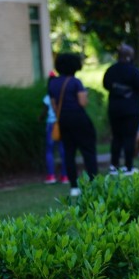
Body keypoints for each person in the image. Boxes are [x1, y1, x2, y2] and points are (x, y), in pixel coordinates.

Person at [103, 44, 139, 175]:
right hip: (131, 110)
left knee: (116, 137)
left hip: (115, 109)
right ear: (129, 56)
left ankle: (114, 165)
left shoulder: (111, 70)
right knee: (129, 137)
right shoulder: (133, 70)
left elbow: (106, 86)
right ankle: (128, 166)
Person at [49, 52, 98, 197]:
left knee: (68, 153)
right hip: (79, 119)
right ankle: (93, 182)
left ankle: (74, 186)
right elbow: (82, 102)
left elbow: (54, 106)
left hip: (62, 120)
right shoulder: (75, 82)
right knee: (88, 151)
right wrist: (86, 95)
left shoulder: (52, 83)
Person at [41, 71, 68, 184]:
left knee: (49, 151)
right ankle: (65, 176)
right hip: (62, 123)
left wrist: (40, 118)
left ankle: (51, 176)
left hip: (51, 125)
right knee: (63, 151)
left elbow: (44, 112)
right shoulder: (62, 94)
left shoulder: (48, 97)